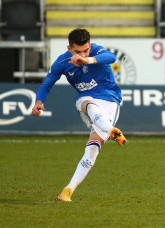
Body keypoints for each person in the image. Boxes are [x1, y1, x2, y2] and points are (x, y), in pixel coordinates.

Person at [32, 28, 127, 202]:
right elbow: (48, 83)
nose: (82, 54)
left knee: (92, 149)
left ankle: (68, 190)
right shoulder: (62, 62)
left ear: (90, 46)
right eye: (78, 52)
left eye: (86, 49)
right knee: (84, 100)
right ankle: (112, 130)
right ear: (69, 49)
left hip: (109, 101)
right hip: (87, 102)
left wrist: (88, 59)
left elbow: (112, 58)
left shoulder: (96, 51)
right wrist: (39, 101)